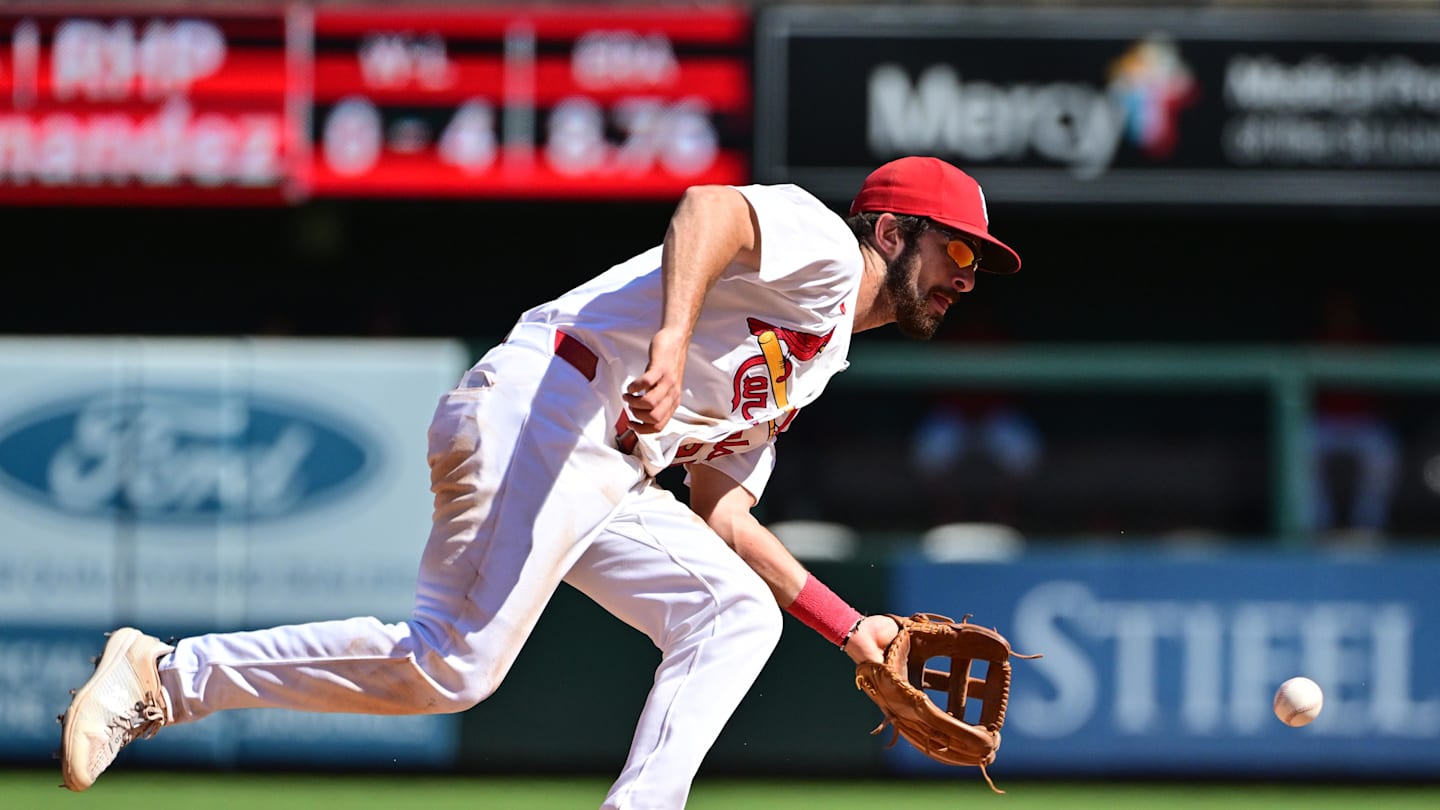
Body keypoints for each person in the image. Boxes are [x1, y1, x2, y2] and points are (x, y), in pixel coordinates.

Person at [59, 155, 1022, 807]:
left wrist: (853, 628)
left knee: (734, 613)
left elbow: (720, 508)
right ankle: (165, 676)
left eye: (979, 266)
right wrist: (674, 335)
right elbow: (711, 209)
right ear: (894, 231)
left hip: (605, 463)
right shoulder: (822, 248)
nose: (966, 278)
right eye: (959, 251)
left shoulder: (816, 362)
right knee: (455, 664)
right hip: (552, 406)